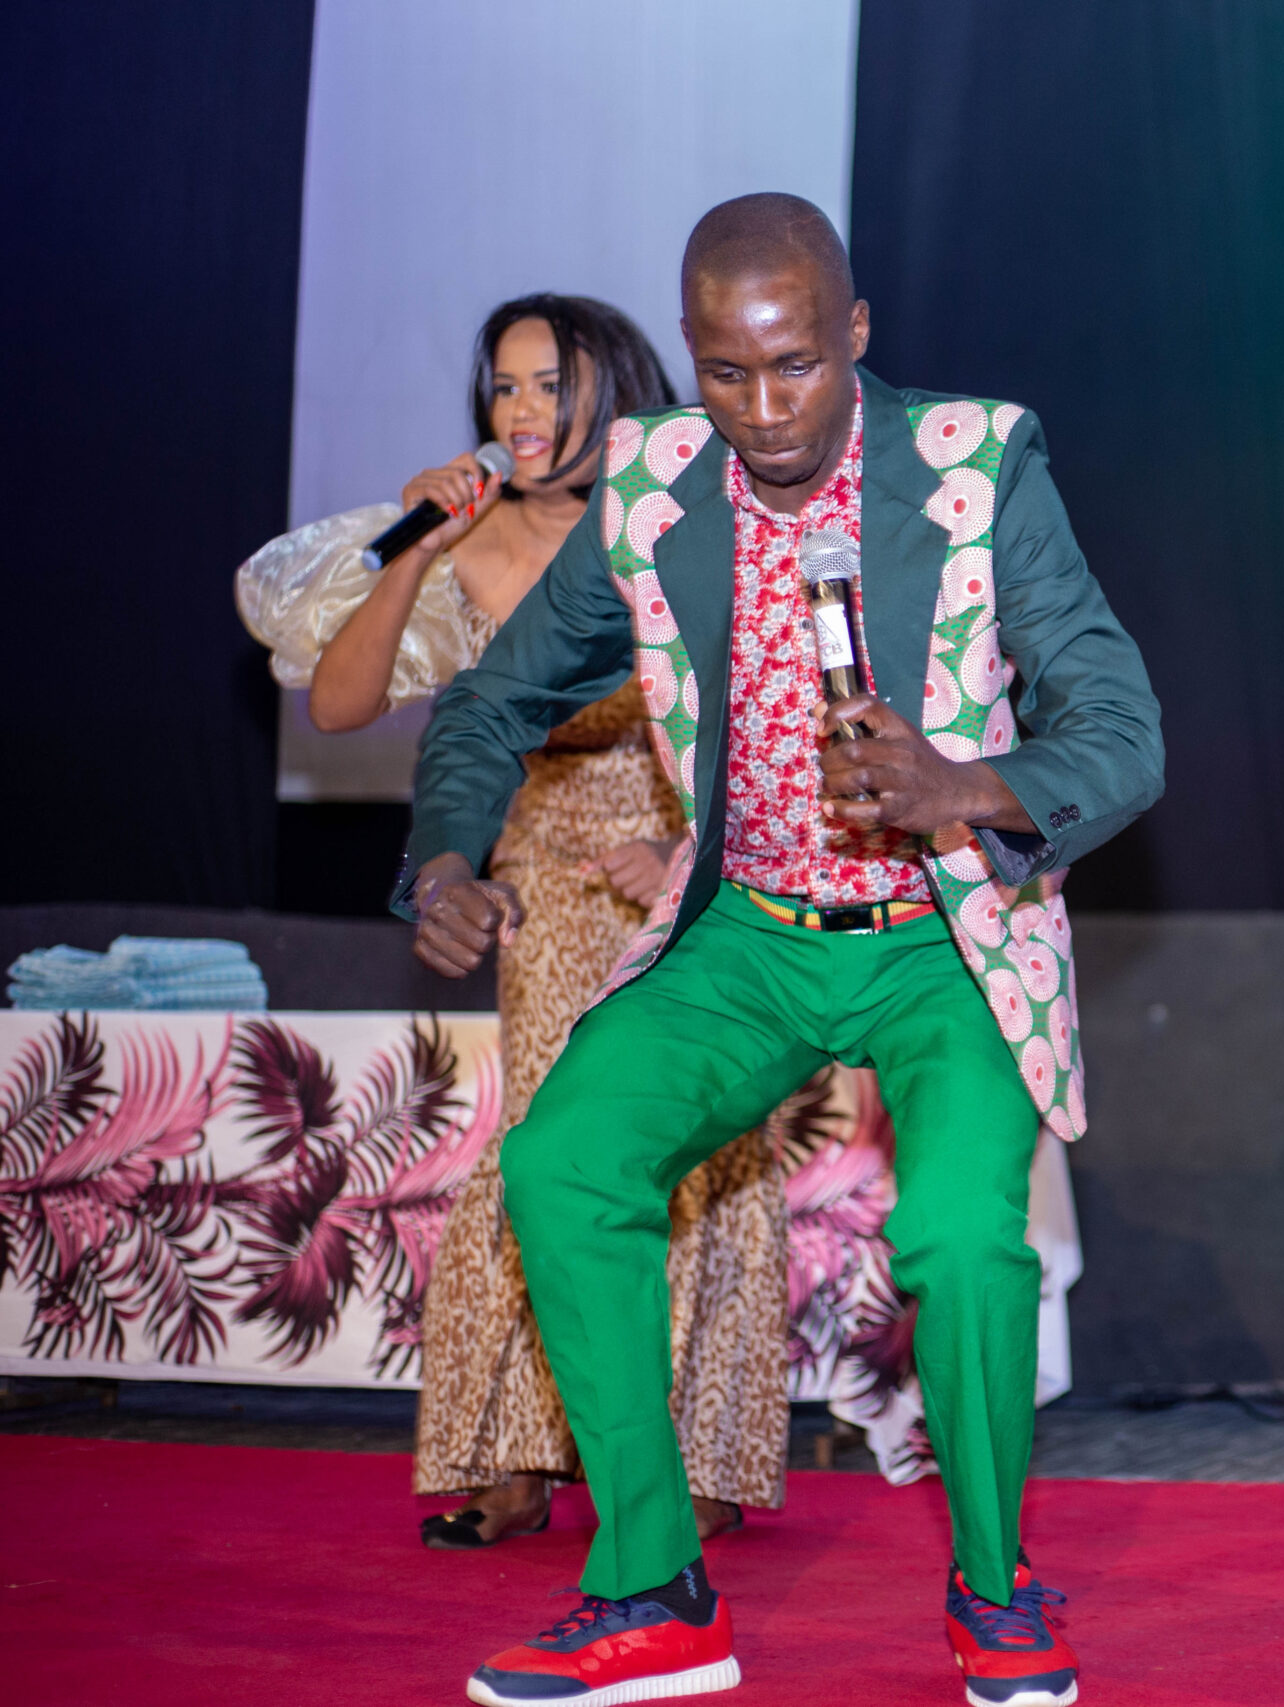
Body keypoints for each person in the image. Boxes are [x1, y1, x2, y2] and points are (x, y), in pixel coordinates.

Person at [400, 193, 1161, 1707]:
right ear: (691, 357)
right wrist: (443, 855)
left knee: (961, 1235)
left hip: (943, 931)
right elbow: (494, 697)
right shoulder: (651, 485)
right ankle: (654, 1588)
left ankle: (995, 1587)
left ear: (855, 331)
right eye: (728, 373)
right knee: (561, 1164)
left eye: (798, 366)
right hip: (747, 931)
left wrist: (964, 786)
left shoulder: (976, 464)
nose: (763, 410)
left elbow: (1123, 729)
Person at [236, 294, 788, 1549]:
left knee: (695, 1142)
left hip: (688, 856)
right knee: (545, 1143)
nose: (522, 412)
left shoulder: (674, 518)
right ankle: (514, 1452)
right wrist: (417, 550)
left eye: (551, 384)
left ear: (619, 392)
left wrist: (691, 849)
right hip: (539, 872)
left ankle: (694, 1452)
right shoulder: (471, 538)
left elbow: (762, 712)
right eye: (505, 386)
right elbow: (338, 705)